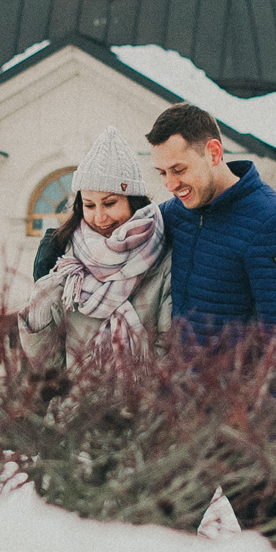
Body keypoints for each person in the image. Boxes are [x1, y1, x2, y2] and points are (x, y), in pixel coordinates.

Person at [144, 100, 276, 358]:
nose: (171, 184)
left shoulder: (273, 222)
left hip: (232, 384)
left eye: (179, 169)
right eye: (162, 173)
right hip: (172, 382)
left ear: (214, 153)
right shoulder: (174, 213)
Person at [19, 126, 171, 376]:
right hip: (78, 398)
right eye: (89, 205)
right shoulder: (63, 257)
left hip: (142, 398)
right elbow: (46, 366)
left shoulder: (162, 255)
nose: (99, 217)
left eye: (110, 203)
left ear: (132, 201)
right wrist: (41, 307)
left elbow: (167, 347)